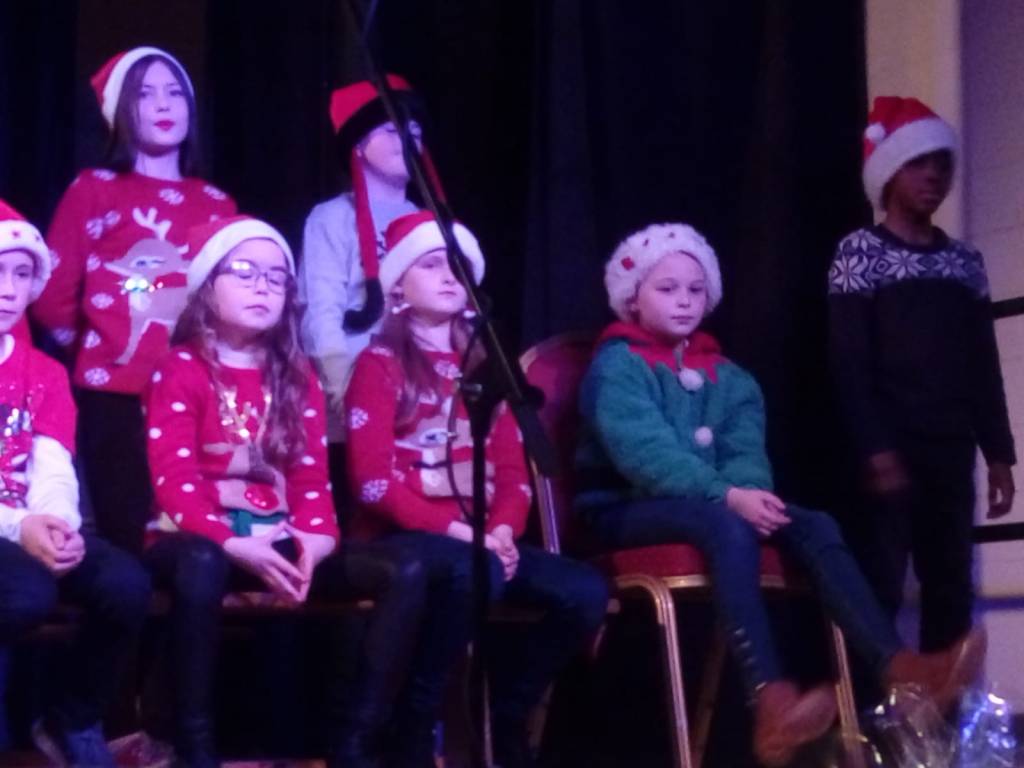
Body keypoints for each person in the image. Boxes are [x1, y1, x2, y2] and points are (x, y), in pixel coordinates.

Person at [576, 222, 986, 767]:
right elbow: (645, 455)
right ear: (634, 298)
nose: (684, 300)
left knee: (814, 524)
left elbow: (744, 454)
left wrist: (751, 494)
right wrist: (728, 497)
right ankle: (769, 698)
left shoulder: (733, 379)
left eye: (695, 289)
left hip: (710, 504)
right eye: (667, 288)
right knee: (725, 523)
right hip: (625, 507)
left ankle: (900, 668)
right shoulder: (617, 366)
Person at [142, 215, 426, 768]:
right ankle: (195, 747)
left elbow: (310, 478)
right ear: (208, 286)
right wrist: (232, 542)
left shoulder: (296, 374)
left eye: (276, 277)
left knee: (404, 570)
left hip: (276, 537)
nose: (263, 287)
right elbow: (175, 482)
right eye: (245, 272)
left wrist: (316, 540)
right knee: (200, 565)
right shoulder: (180, 368)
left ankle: (355, 742)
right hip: (198, 539)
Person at [345, 210, 609, 768]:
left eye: (459, 265)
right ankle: (417, 720)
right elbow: (372, 483)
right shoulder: (378, 363)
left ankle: (509, 713)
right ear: (398, 285)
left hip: (483, 541)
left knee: (585, 591)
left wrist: (504, 530)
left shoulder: (493, 369)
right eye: (432, 264)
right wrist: (468, 535)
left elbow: (513, 475)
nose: (450, 275)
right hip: (404, 539)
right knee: (477, 569)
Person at [31, 46, 237, 554]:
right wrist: (98, 348)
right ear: (122, 111)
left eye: (175, 93)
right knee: (129, 534)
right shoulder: (95, 190)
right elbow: (52, 291)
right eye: (146, 94)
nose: (164, 104)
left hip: (199, 392)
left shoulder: (216, 204)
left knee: (195, 536)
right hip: (115, 394)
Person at [828, 96, 1016, 652]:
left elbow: (982, 364)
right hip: (890, 443)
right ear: (890, 171)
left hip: (950, 447)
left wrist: (999, 453)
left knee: (951, 586)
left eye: (941, 163)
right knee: (880, 583)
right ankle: (872, 700)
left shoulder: (964, 263)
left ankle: (944, 706)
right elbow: (848, 361)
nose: (933, 175)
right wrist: (875, 448)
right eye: (918, 162)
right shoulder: (859, 253)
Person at [0, 200, 151, 767]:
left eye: (21, 273)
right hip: (9, 527)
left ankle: (73, 717)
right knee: (25, 593)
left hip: (29, 521)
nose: (8, 288)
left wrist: (58, 524)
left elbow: (52, 462)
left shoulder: (42, 371)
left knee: (125, 584)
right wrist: (21, 526)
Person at [298, 76, 443, 512]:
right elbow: (320, 311)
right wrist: (344, 388)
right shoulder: (332, 218)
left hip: (418, 401)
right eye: (391, 130)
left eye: (414, 130)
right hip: (353, 393)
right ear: (358, 146)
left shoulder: (427, 221)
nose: (407, 139)